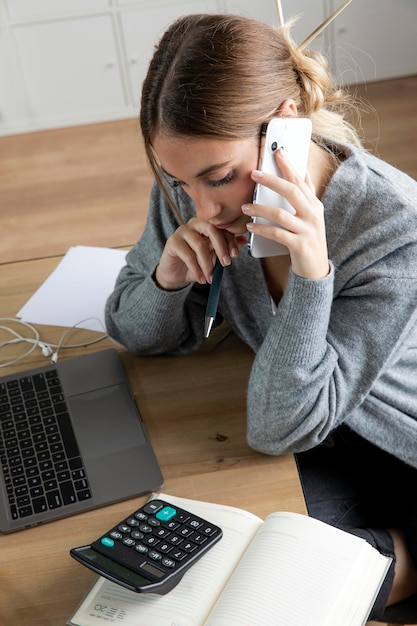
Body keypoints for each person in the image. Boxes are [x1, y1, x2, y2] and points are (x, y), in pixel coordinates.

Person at [105, 13, 417, 623]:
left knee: (266, 592)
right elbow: (130, 330)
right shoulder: (192, 194)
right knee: (210, 571)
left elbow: (277, 427)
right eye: (179, 181)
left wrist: (309, 278)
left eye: (219, 177)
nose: (202, 207)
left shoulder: (394, 227)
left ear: (287, 122)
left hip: (394, 441)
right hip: (310, 426)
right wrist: (167, 280)